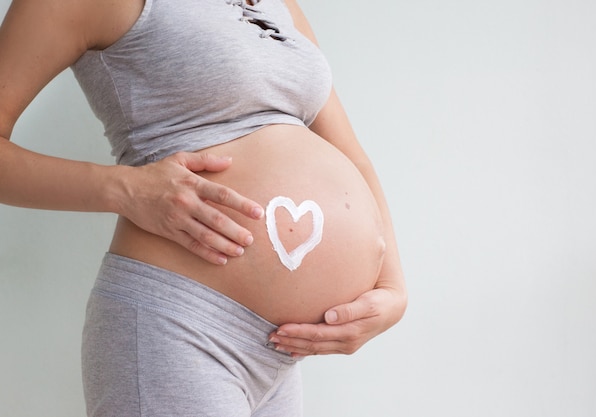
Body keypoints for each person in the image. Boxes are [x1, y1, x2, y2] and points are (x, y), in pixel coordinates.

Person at [0, 0, 407, 415]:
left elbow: (352, 156)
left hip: (282, 352)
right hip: (179, 322)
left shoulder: (277, 4)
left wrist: (392, 285)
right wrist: (124, 189)